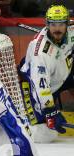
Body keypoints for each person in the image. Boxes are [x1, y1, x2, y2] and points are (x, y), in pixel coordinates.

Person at [18, 4, 72, 143]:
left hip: (63, 74)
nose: (57, 29)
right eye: (53, 24)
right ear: (47, 25)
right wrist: (50, 111)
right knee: (46, 136)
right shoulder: (40, 53)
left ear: (67, 24)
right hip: (34, 85)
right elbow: (40, 86)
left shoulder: (72, 31)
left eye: (61, 24)